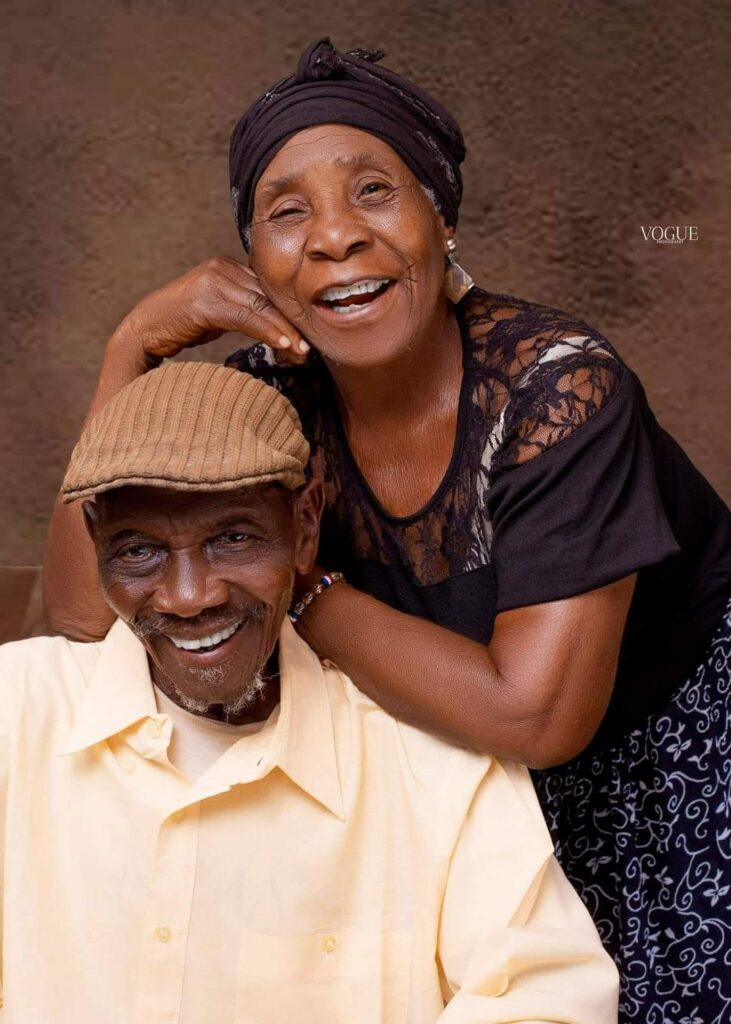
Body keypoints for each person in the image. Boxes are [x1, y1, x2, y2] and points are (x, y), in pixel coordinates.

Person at [42, 39, 731, 1024]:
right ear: (254, 261)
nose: (333, 238)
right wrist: (132, 348)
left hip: (668, 751)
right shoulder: (263, 394)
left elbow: (540, 718)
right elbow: (79, 611)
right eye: (287, 211)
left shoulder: (558, 387)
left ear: (437, 218)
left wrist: (310, 594)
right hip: (463, 769)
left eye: (372, 191)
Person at [1, 360, 619, 1023]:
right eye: (138, 552)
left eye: (233, 538)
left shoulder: (432, 765)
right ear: (95, 542)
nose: (188, 597)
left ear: (303, 526)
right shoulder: (17, 712)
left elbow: (550, 1002)